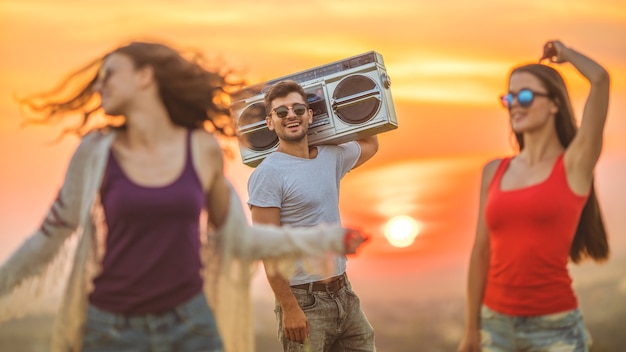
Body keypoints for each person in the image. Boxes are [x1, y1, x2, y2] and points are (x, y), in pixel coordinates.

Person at [0, 41, 370, 352]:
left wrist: (325, 238)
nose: (100, 85)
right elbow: (50, 235)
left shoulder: (201, 150)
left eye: (111, 73)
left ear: (145, 77)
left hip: (190, 323)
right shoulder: (95, 150)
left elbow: (239, 239)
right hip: (110, 325)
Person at [458, 40, 610, 352]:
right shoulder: (494, 170)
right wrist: (471, 329)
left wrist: (566, 53)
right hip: (494, 325)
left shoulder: (574, 164)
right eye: (509, 97)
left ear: (555, 104)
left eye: (525, 95)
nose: (515, 104)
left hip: (554, 329)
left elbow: (600, 79)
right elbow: (480, 253)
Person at [247, 79, 378, 352]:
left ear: (310, 113)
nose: (290, 115)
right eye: (281, 112)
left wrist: (336, 113)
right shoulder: (267, 174)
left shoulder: (331, 156)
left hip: (345, 293)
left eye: (298, 109)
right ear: (270, 122)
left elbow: (370, 141)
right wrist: (290, 308)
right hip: (303, 301)